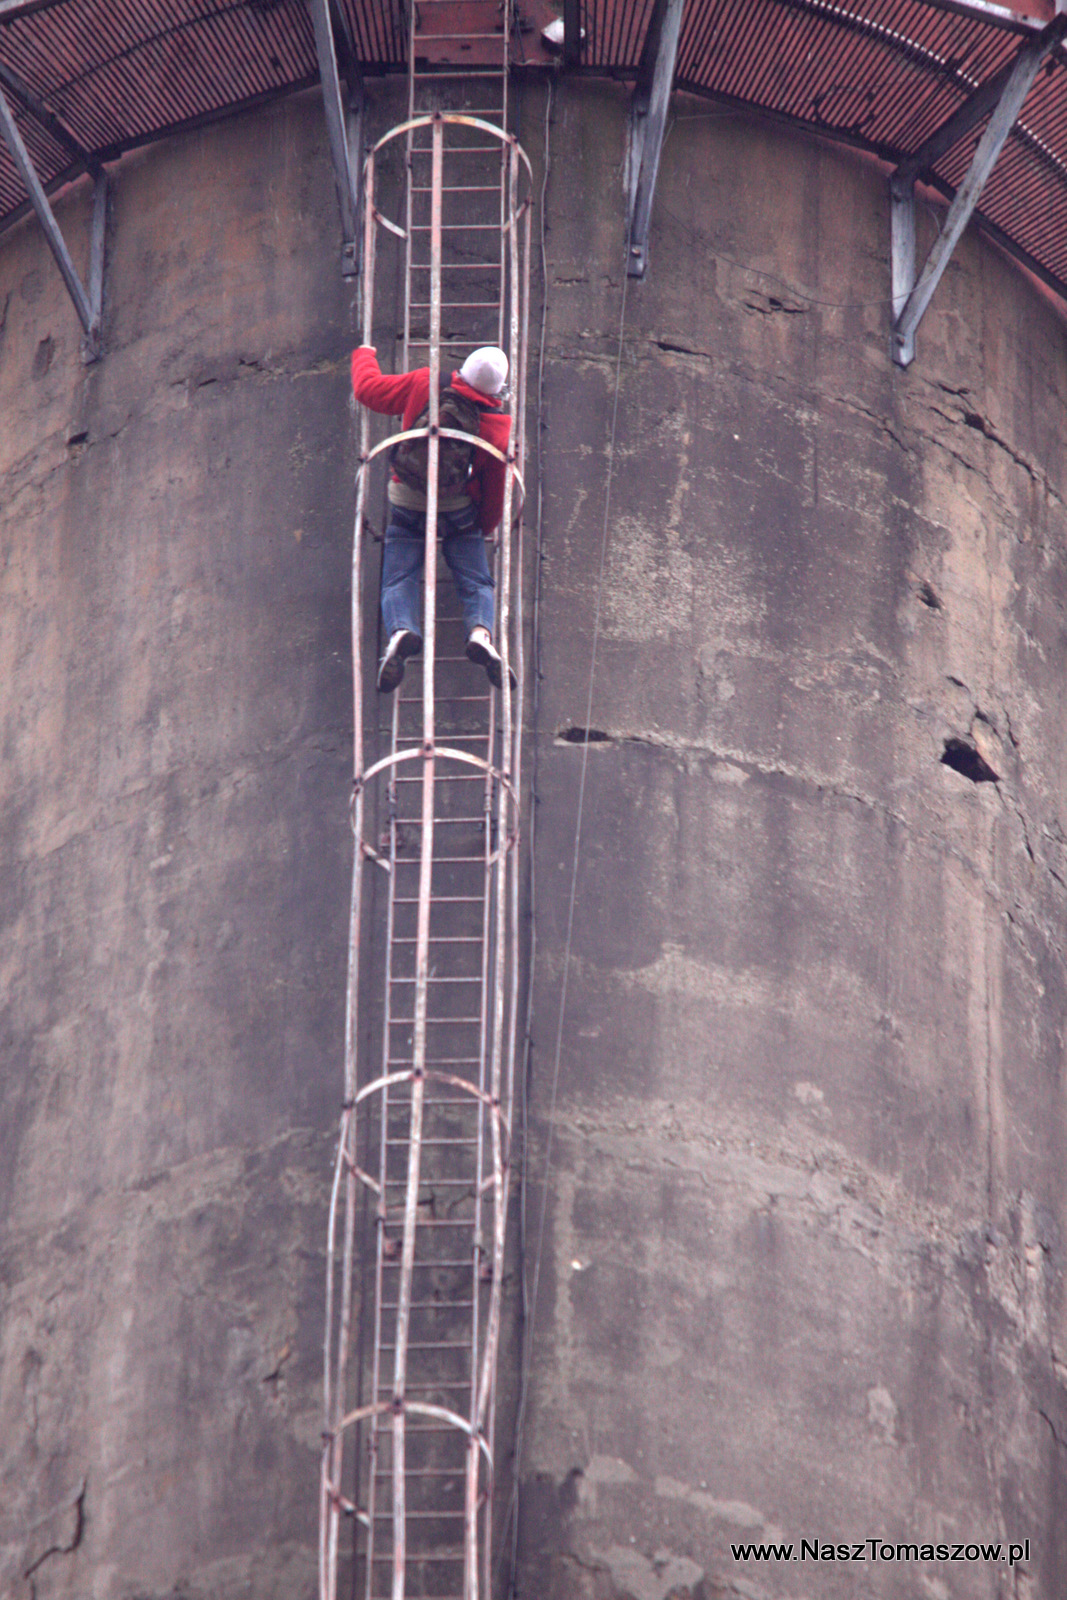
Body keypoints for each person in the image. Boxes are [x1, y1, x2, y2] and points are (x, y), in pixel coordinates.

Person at [351, 343, 516, 693]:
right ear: (497, 390)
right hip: (458, 512)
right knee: (476, 581)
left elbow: (368, 390)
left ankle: (401, 630)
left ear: (463, 370)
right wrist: (481, 528)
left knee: (399, 577)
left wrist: (364, 354)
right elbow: (495, 489)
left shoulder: (425, 382)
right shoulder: (498, 425)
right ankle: (480, 634)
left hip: (407, 502)